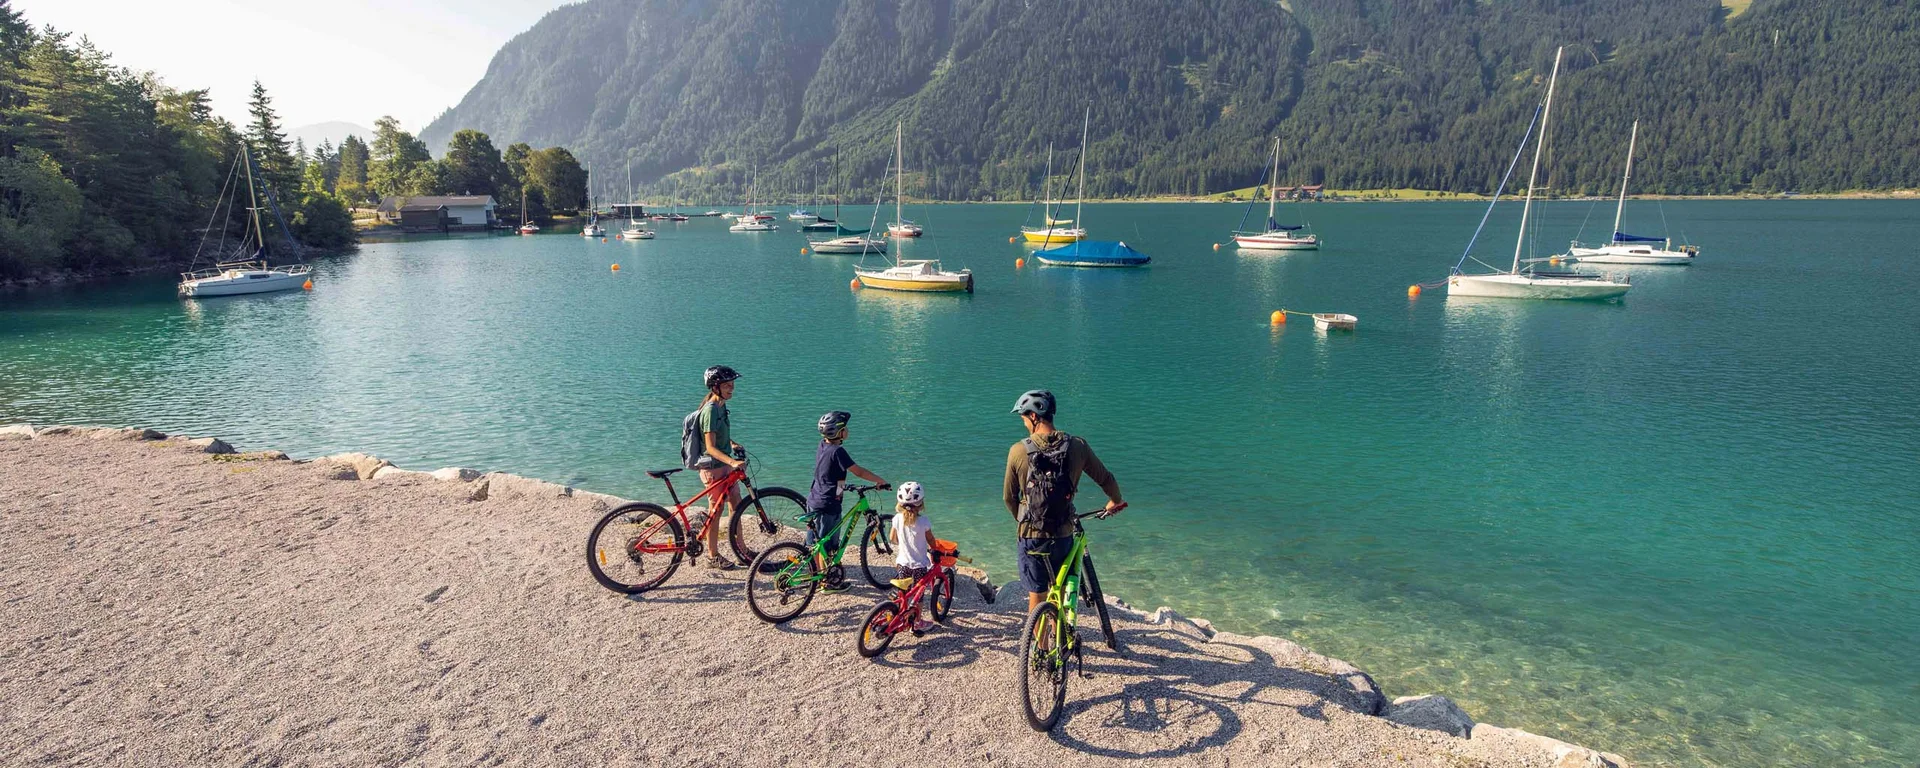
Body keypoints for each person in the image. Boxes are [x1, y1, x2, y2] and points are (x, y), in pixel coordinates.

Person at [1003, 389, 1124, 614]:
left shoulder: (1018, 450)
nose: (1024, 424)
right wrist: (1114, 501)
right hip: (1063, 533)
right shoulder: (1078, 446)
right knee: (1058, 588)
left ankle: (1041, 645)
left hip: (1031, 535)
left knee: (1036, 596)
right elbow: (1106, 478)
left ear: (1033, 416)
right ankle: (1062, 633)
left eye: (1023, 418)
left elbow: (1009, 498)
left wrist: (1024, 519)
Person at [806, 411, 889, 593]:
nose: (848, 431)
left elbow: (829, 472)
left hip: (815, 498)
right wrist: (879, 481)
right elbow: (858, 471)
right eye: (845, 428)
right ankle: (827, 583)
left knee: (818, 542)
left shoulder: (823, 446)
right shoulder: (838, 451)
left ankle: (819, 573)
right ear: (838, 432)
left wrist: (843, 486)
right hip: (828, 504)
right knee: (829, 545)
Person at [693, 365, 745, 570]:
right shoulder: (711, 410)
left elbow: (719, 435)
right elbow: (710, 447)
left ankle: (740, 549)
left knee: (737, 504)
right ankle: (712, 555)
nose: (731, 388)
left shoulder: (721, 406)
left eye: (732, 385)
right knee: (716, 510)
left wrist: (732, 444)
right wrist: (732, 462)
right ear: (715, 387)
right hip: (714, 467)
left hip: (725, 465)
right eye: (727, 385)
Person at [889, 482, 939, 632]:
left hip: (902, 564)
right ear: (921, 504)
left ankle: (900, 615)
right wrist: (934, 550)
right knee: (918, 596)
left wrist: (905, 542)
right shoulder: (923, 522)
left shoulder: (897, 519)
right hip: (919, 566)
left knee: (903, 593)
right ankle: (916, 622)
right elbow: (931, 540)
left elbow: (893, 538)